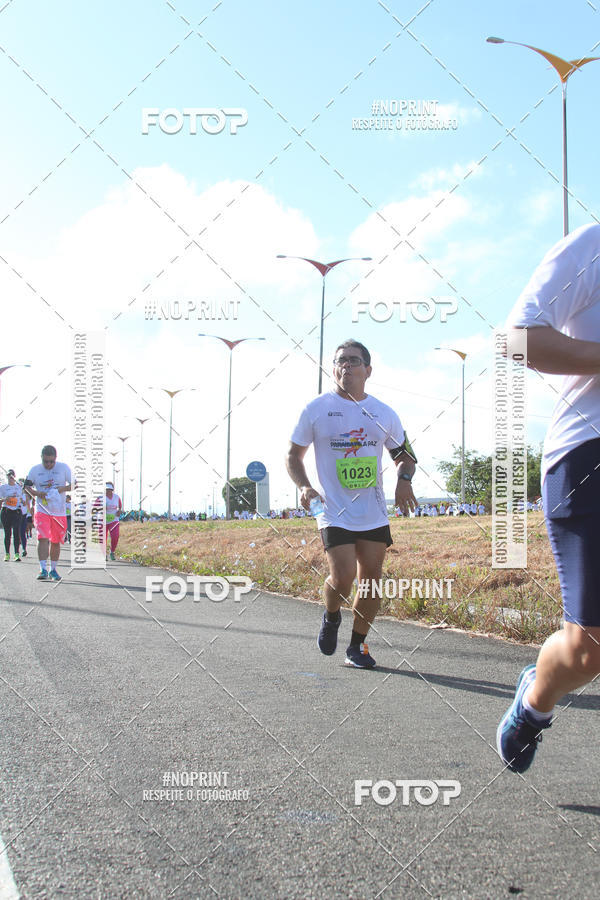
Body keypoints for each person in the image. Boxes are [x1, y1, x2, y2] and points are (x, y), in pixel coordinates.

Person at [497, 223, 600, 772]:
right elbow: (520, 338)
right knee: (588, 652)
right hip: (588, 453)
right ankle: (535, 702)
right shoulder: (592, 245)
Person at [286, 339, 417, 669]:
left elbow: (406, 456)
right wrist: (304, 486)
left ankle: (357, 647)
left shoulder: (384, 413)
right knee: (343, 577)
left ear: (368, 370)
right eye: (340, 361)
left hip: (372, 509)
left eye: (353, 361)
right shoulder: (315, 409)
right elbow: (292, 455)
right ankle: (332, 616)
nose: (346, 366)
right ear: (334, 369)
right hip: (330, 508)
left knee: (371, 579)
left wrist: (404, 481)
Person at [25, 445, 71, 581]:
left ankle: (53, 570)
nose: (49, 464)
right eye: (46, 461)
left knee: (56, 541)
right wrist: (37, 493)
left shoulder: (63, 468)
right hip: (42, 510)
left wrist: (61, 489)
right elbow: (27, 486)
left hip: (59, 512)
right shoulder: (35, 470)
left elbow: (74, 484)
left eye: (51, 461)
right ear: (41, 458)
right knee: (43, 537)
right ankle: (43, 569)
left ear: (56, 459)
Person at [0, 469, 25, 561]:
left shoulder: (18, 487)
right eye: (9, 476)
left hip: (16, 512)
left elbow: (22, 499)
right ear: (7, 477)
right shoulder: (3, 487)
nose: (10, 477)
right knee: (7, 533)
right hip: (6, 511)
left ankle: (16, 554)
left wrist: (22, 501)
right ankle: (7, 554)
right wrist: (4, 499)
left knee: (16, 532)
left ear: (14, 476)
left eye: (12, 476)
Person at [104, 482, 122, 561]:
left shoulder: (117, 497)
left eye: (110, 490)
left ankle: (112, 552)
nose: (108, 491)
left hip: (114, 520)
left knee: (115, 536)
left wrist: (119, 511)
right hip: (103, 521)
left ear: (112, 490)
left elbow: (120, 507)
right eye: (107, 490)